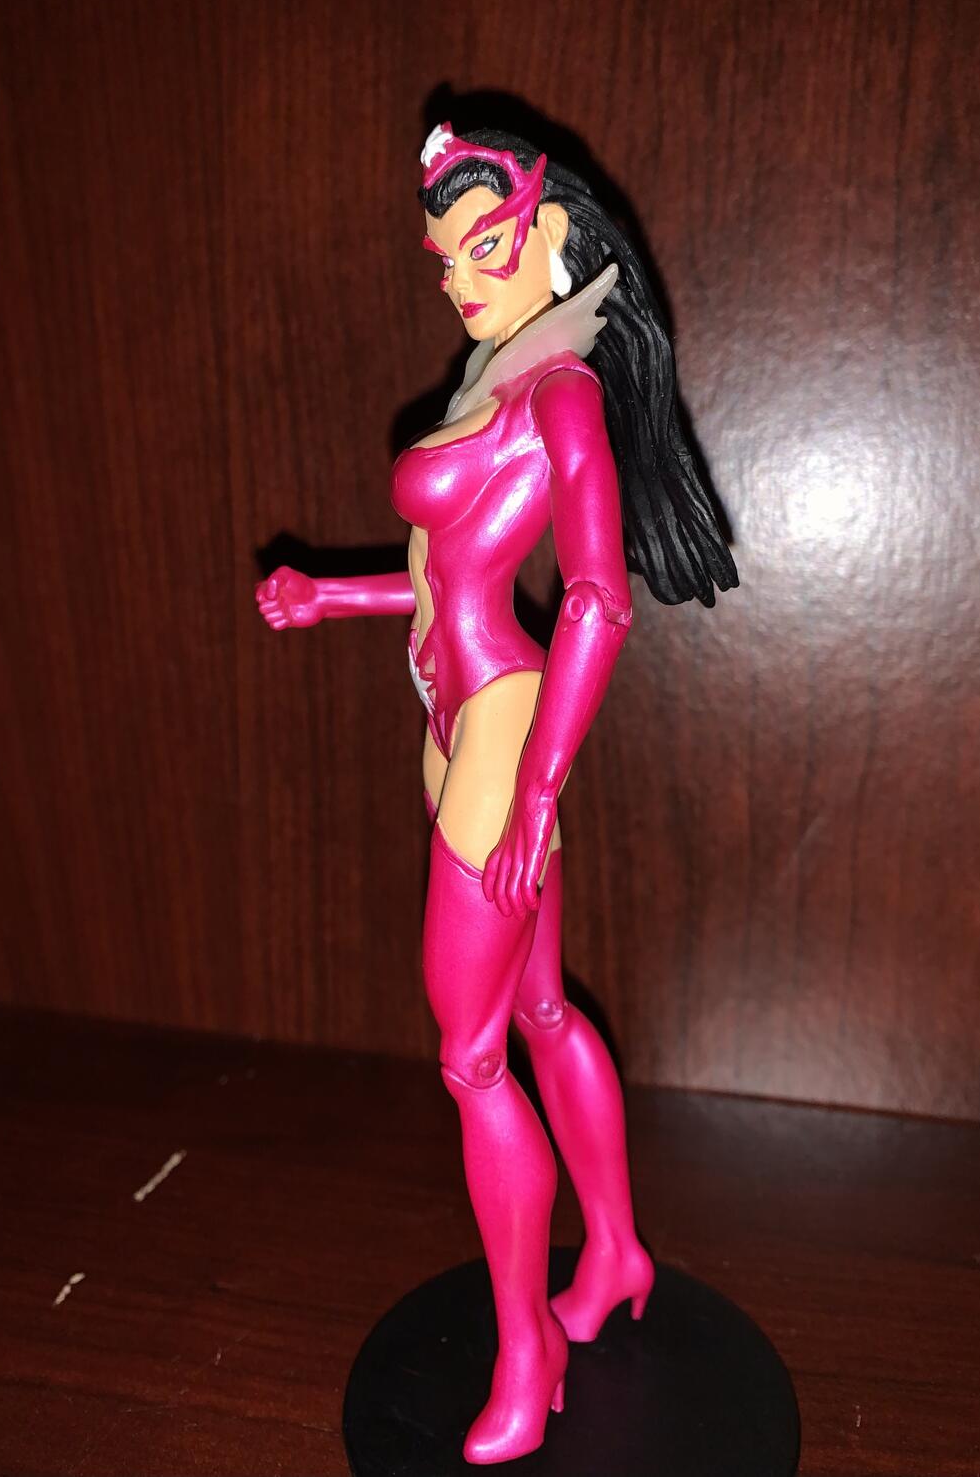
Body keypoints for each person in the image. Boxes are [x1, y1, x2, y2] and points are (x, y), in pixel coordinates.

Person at [256, 121, 738, 1465]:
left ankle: (531, 1353)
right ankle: (617, 1253)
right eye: (444, 260)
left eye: (485, 247)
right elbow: (443, 580)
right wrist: (330, 595)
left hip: (506, 730)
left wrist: (536, 790)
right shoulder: (496, 376)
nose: (461, 280)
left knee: (470, 1057)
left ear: (548, 234)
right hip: (463, 720)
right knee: (537, 1008)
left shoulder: (561, 393)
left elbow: (597, 599)